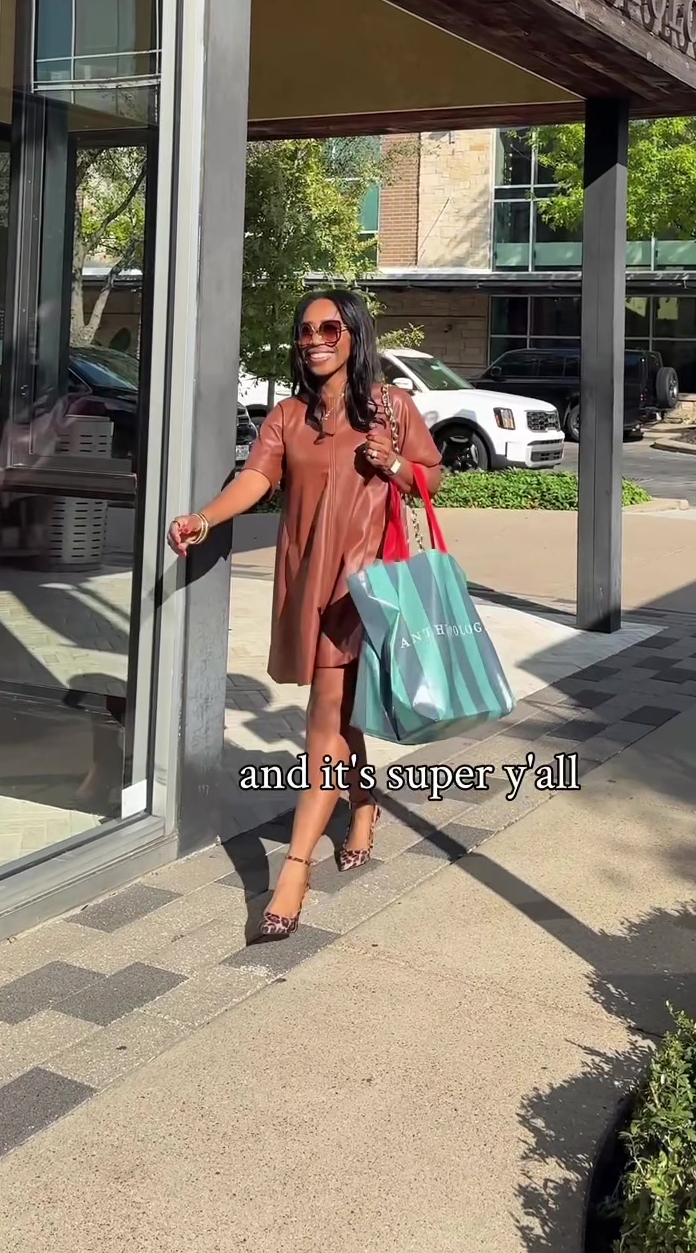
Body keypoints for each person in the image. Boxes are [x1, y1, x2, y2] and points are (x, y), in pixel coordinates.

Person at [168, 289, 442, 941]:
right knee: (338, 713)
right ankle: (363, 802)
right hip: (308, 579)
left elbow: (432, 478)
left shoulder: (391, 406)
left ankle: (294, 870)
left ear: (354, 335)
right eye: (306, 331)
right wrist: (204, 518)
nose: (315, 340)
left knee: (324, 716)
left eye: (330, 328)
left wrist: (394, 462)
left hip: (365, 585)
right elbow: (258, 479)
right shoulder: (288, 416)